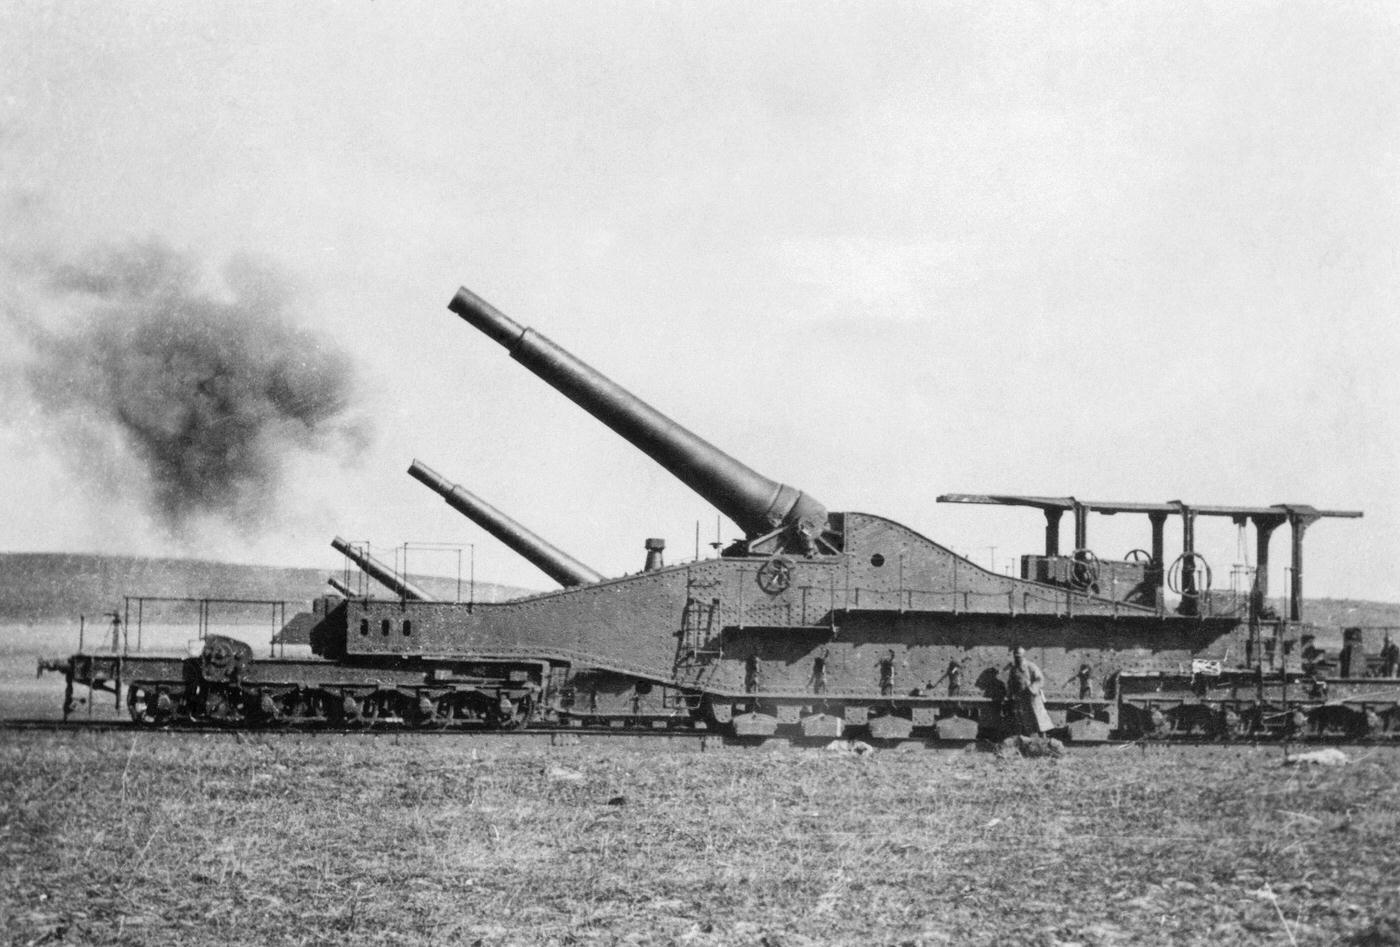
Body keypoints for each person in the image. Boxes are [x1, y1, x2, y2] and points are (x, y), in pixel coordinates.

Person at [1005, 646, 1053, 736]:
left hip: (1033, 697)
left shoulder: (1030, 666)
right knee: (1025, 719)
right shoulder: (1014, 669)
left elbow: (1040, 679)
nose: (1017, 658)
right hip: (1021, 697)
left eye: (1019, 657)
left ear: (1023, 656)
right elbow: (1010, 683)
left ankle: (1044, 739)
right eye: (1015, 657)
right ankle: (1030, 740)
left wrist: (1032, 689)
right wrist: (1009, 694)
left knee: (1039, 718)